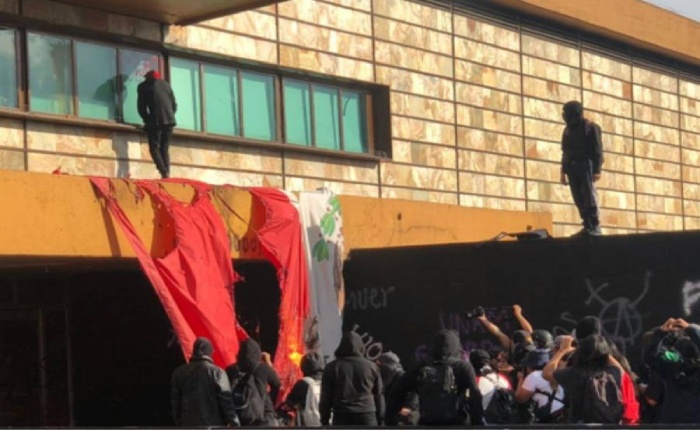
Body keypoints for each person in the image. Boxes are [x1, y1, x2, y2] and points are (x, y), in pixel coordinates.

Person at [395, 330, 484, 426]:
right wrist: (477, 422)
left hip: (427, 423)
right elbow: (475, 395)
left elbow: (398, 390)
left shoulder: (421, 366)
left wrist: (391, 420)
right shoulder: (463, 367)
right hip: (457, 423)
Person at [543, 334, 624, 424]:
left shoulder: (575, 373)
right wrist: (601, 349)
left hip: (582, 424)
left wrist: (562, 350)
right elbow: (621, 370)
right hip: (610, 425)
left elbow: (547, 373)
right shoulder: (613, 372)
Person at [170, 337, 239, 427]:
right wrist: (234, 422)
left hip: (188, 425)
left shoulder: (178, 373)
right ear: (209, 352)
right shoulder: (218, 373)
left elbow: (175, 404)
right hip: (213, 426)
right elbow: (226, 401)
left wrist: (180, 422)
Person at [319, 332, 384, 426]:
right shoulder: (371, 367)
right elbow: (379, 395)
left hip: (342, 415)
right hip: (367, 414)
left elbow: (326, 397)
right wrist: (381, 420)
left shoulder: (332, 367)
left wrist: (324, 421)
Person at [560, 100, 604, 236]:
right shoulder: (567, 131)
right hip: (572, 166)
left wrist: (597, 169)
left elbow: (597, 149)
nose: (564, 116)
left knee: (588, 196)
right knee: (578, 197)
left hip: (585, 165)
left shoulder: (590, 127)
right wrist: (563, 171)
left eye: (566, 113)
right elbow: (565, 151)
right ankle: (586, 224)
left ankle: (594, 225)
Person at [644, 317, 700, 423]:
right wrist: (691, 329)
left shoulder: (671, 367)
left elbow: (650, 356)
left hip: (671, 422)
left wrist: (660, 333)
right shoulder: (673, 367)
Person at [137, 70, 177, 179]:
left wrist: (147, 120)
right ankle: (167, 172)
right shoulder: (166, 85)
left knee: (154, 147)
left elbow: (141, 107)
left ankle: (164, 172)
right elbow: (174, 104)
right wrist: (170, 116)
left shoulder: (143, 86)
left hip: (155, 121)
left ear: (146, 78)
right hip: (170, 120)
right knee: (164, 147)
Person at [232, 339, 281, 426]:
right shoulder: (264, 368)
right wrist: (268, 363)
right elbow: (278, 384)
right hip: (262, 416)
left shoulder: (231, 370)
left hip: (240, 416)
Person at [515, 349, 565, 423]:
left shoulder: (534, 376)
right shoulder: (556, 373)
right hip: (562, 414)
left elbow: (520, 399)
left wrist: (520, 379)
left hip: (550, 418)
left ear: (529, 366)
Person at [284, 352, 324, 427]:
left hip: (310, 424)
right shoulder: (327, 381)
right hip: (328, 424)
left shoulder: (303, 383)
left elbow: (291, 403)